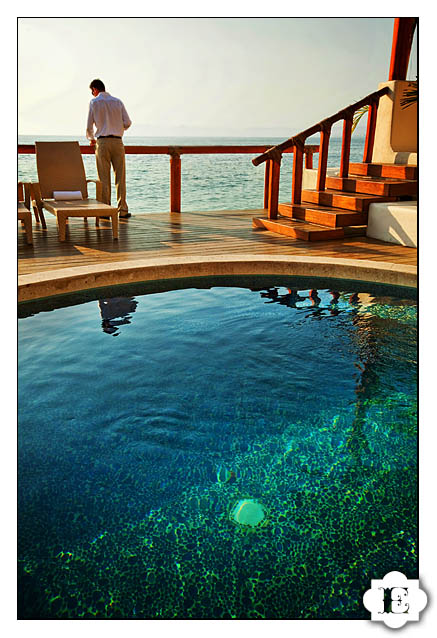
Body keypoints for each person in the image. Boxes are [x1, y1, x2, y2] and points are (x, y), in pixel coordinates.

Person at [86, 79, 132, 218]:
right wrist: (118, 127)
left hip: (102, 143)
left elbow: (89, 126)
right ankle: (122, 210)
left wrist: (91, 138)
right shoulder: (117, 102)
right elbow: (128, 122)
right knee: (120, 177)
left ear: (95, 89)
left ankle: (105, 211)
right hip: (118, 142)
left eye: (92, 91)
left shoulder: (94, 102)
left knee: (103, 178)